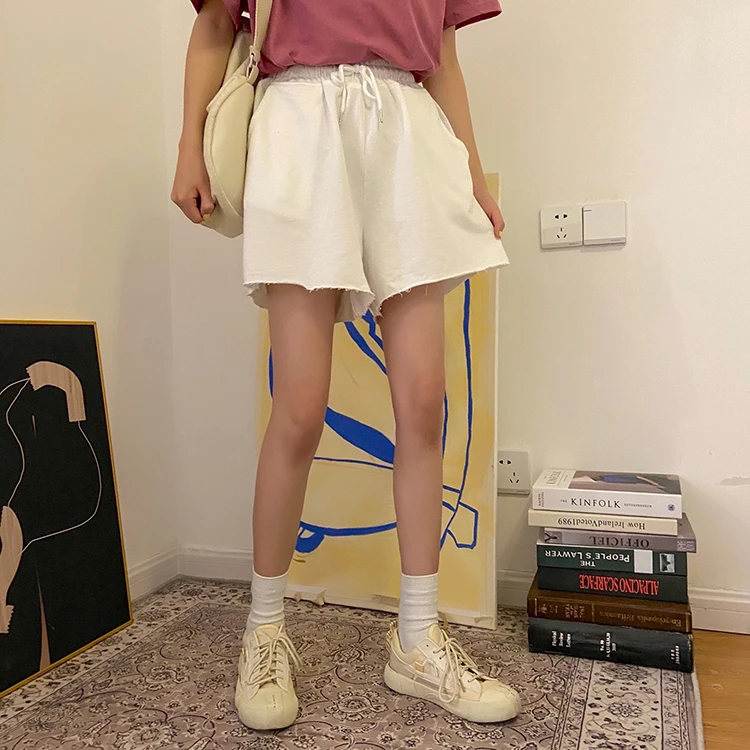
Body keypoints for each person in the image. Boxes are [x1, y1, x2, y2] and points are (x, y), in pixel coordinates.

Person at [172, 0, 520, 731]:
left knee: (423, 401)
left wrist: (473, 175)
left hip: (409, 131)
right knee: (300, 406)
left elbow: (444, 56)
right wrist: (188, 147)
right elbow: (216, 25)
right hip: (299, 124)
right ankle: (266, 629)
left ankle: (418, 637)